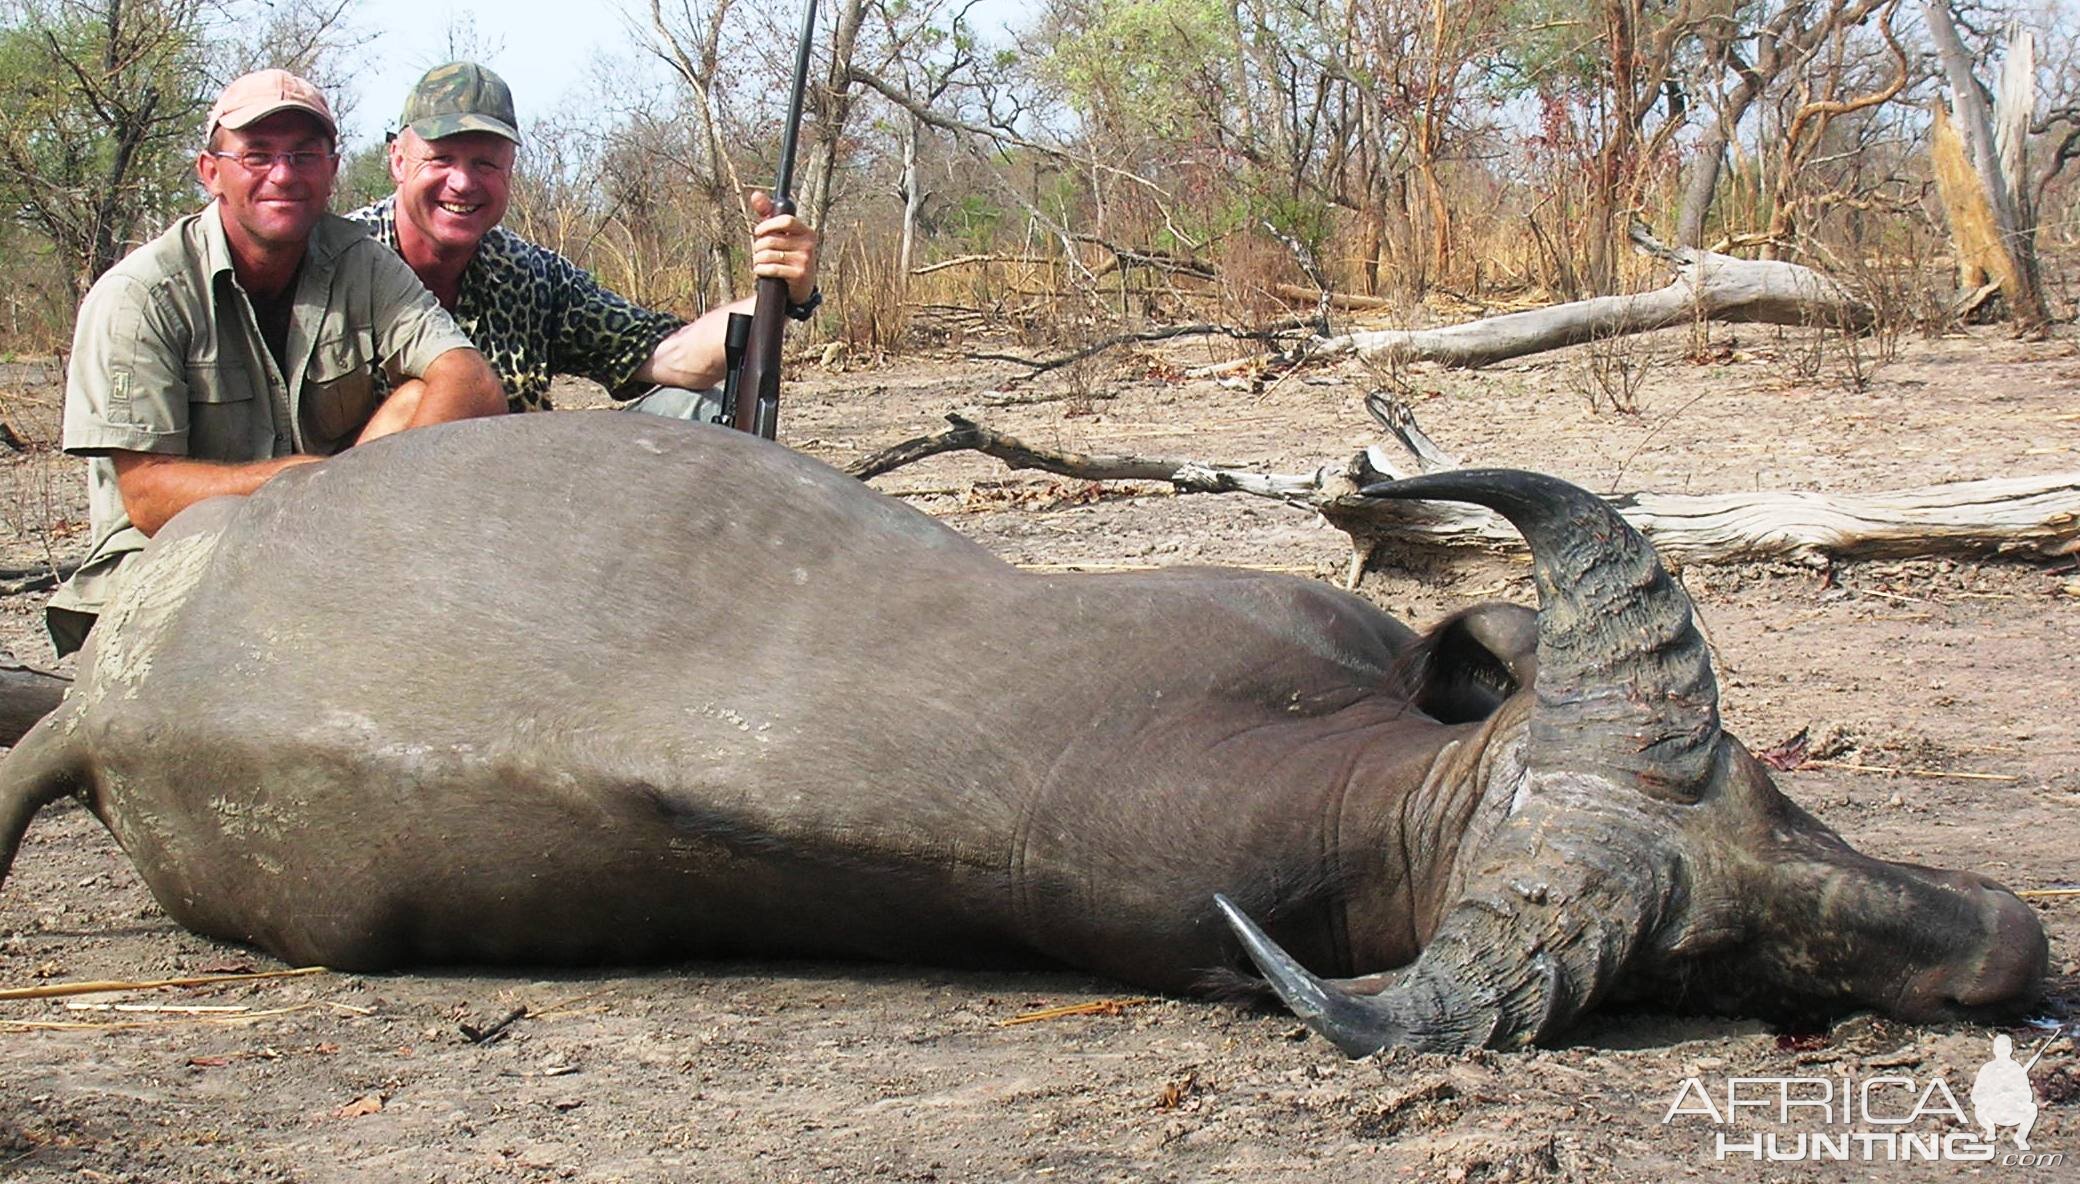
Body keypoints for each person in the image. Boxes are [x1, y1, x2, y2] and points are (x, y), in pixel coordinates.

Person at [50, 69, 506, 657]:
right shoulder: (139, 295)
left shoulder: (361, 263)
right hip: (171, 560)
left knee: (422, 396)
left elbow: (468, 379)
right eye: (257, 155)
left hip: (321, 546)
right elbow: (147, 496)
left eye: (304, 155)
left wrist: (359, 515)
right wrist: (308, 488)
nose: (284, 175)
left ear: (331, 171)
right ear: (210, 171)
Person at [347, 62, 823, 419]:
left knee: (702, 406)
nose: (463, 183)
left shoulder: (534, 276)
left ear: (510, 169)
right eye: (442, 158)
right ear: (397, 159)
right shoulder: (342, 259)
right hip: (364, 523)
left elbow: (676, 357)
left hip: (510, 511)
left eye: (485, 164)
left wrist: (781, 291)